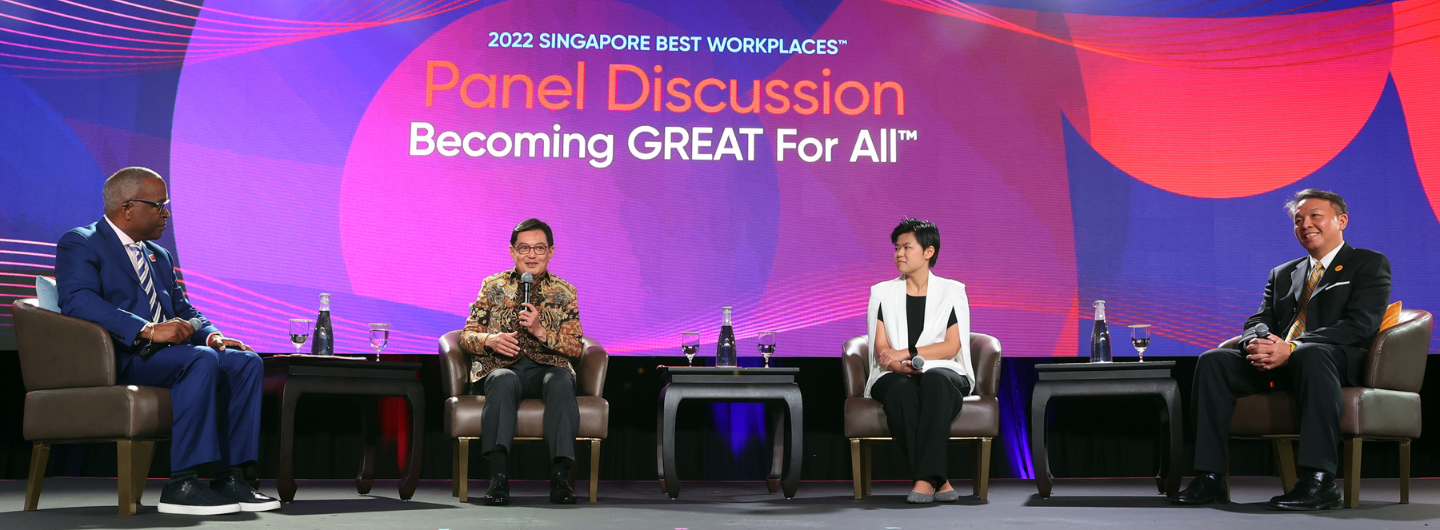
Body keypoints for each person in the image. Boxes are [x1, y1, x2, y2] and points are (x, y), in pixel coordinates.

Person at [54, 167, 278, 515]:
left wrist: (213, 334)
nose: (167, 214)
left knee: (246, 362)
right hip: (125, 355)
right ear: (127, 207)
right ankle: (182, 484)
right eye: (159, 205)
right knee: (200, 359)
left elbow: (184, 308)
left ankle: (231, 477)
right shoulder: (81, 242)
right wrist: (147, 329)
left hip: (171, 356)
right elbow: (78, 300)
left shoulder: (159, 255)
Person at [1175, 189, 1391, 510]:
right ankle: (1210, 478)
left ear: (1341, 220)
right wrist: (1257, 342)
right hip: (1281, 362)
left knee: (1310, 354)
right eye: (1298, 220)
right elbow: (1259, 319)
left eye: (1314, 216)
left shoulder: (1367, 263)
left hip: (1332, 360)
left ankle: (1319, 481)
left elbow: (1361, 324)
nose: (1305, 225)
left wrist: (1292, 346)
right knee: (1214, 361)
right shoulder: (1283, 273)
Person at [458, 218, 586, 505]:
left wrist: (542, 331)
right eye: (524, 248)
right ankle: (498, 477)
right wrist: (489, 340)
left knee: (561, 380)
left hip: (548, 368)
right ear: (512, 251)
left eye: (539, 248)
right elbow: (467, 336)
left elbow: (576, 346)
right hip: (502, 366)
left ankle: (560, 478)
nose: (531, 255)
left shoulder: (565, 292)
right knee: (503, 380)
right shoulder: (492, 286)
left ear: (551, 252)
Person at [864, 218, 977, 504]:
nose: (899, 254)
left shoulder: (952, 291)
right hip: (892, 373)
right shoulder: (882, 292)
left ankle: (925, 479)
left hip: (943, 369)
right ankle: (937, 479)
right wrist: (894, 364)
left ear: (928, 252)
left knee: (937, 381)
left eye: (906, 247)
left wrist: (907, 352)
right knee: (901, 391)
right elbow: (881, 347)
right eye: (896, 248)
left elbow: (952, 346)